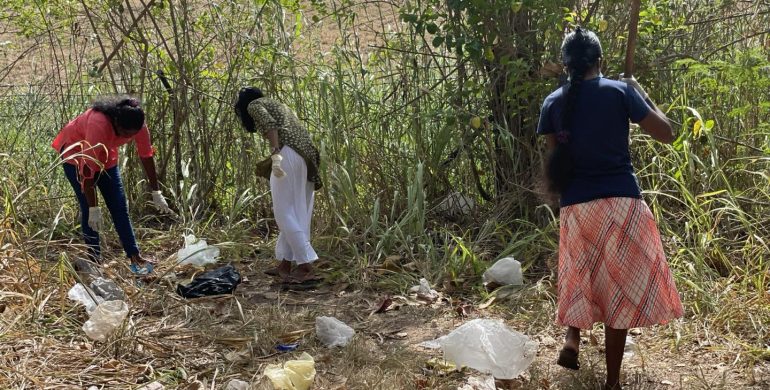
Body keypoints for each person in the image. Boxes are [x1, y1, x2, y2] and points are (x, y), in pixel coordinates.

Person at [537, 27, 683, 390]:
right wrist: (639, 91)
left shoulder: (553, 102)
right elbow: (667, 133)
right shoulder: (621, 93)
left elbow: (555, 159)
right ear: (600, 62)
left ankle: (573, 338)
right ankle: (612, 382)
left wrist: (560, 202)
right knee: (618, 288)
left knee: (581, 275)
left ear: (566, 65)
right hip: (622, 203)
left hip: (577, 206)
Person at [53, 96, 173, 274]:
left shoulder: (136, 124)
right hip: (76, 155)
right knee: (87, 208)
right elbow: (87, 172)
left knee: (119, 206)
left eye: (132, 134)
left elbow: (146, 155)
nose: (129, 138)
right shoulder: (99, 124)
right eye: (126, 134)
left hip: (106, 156)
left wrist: (156, 191)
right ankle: (94, 260)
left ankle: (134, 255)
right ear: (116, 123)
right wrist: (94, 208)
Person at [234, 87, 322, 285]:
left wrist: (275, 153)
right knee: (296, 212)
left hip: (288, 153)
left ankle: (306, 265)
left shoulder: (254, 104)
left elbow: (268, 124)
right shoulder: (278, 105)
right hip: (306, 156)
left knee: (283, 212)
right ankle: (285, 264)